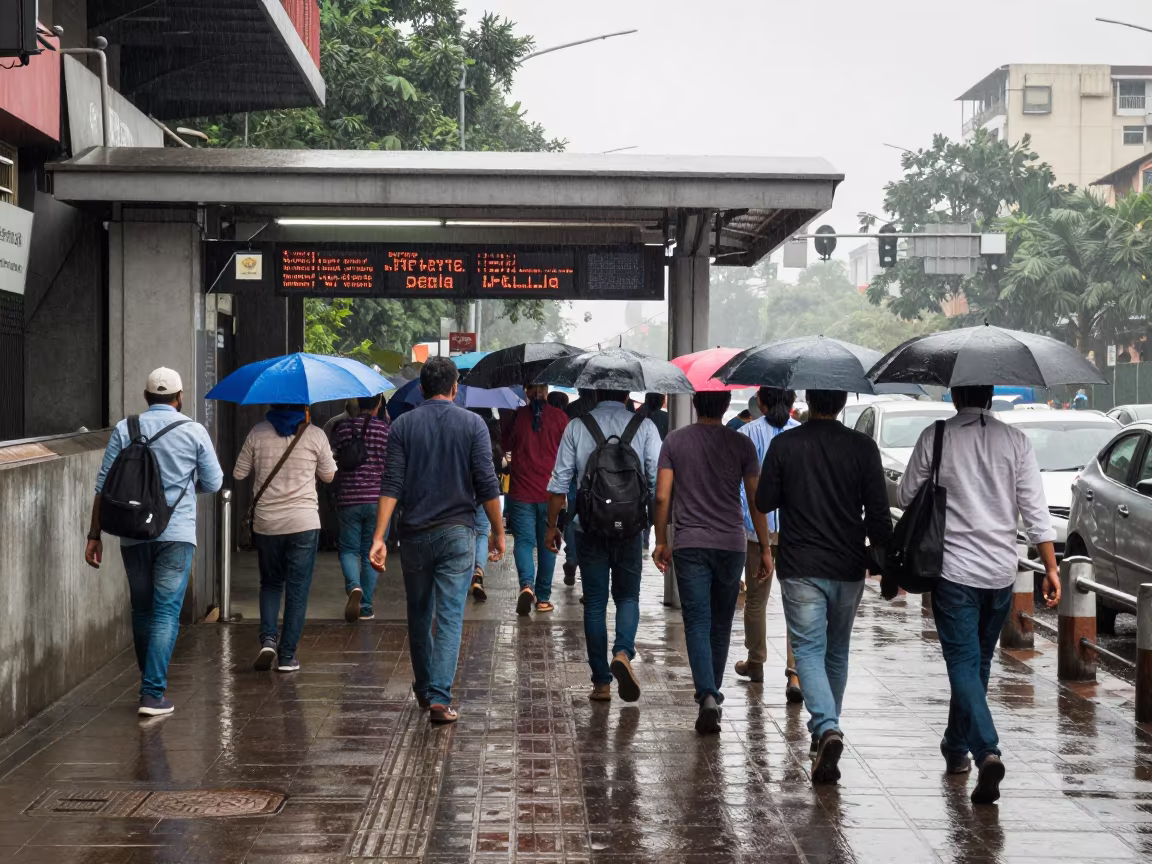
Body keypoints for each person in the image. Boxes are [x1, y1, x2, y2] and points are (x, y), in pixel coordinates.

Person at [897, 384, 1060, 805]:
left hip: (953, 572)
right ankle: (955, 748)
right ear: (989, 397)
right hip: (1001, 574)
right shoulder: (1016, 441)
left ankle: (986, 750)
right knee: (978, 663)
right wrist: (1052, 568)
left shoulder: (937, 435)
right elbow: (1035, 511)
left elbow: (904, 494)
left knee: (964, 665)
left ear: (955, 396)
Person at [756, 389, 891, 784]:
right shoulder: (863, 447)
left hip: (800, 564)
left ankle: (827, 727)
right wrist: (884, 562)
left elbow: (763, 501)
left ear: (809, 400)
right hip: (848, 565)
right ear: (843, 400)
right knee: (837, 651)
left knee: (809, 650)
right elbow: (880, 515)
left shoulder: (785, 444)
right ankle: (825, 730)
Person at [369, 358, 505, 724]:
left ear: (422, 388)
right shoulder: (473, 424)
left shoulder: (402, 425)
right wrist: (497, 530)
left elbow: (391, 483)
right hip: (458, 534)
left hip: (414, 535)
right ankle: (440, 699)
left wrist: (379, 537)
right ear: (455, 387)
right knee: (448, 617)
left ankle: (426, 688)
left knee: (418, 613)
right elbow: (488, 483)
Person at [86, 368, 223, 717]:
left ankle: (149, 685)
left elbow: (104, 486)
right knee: (165, 612)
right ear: (179, 398)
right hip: (176, 535)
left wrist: (94, 535)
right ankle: (152, 693)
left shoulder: (125, 429)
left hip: (132, 533)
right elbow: (213, 480)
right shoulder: (193, 430)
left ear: (146, 398)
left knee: (142, 609)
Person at [652, 390, 772, 734]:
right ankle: (712, 697)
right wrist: (764, 547)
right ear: (725, 405)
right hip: (732, 544)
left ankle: (706, 694)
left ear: (694, 404)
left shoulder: (675, 442)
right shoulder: (742, 445)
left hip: (690, 544)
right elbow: (755, 500)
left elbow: (662, 495)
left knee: (697, 622)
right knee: (721, 624)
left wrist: (662, 539)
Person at [544, 389, 661, 702]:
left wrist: (552, 527)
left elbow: (559, 483)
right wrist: (658, 531)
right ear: (626, 392)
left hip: (590, 526)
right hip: (630, 528)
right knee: (627, 596)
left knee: (595, 603)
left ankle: (601, 682)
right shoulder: (645, 426)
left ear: (595, 391)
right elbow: (656, 482)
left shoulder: (578, 426)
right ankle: (622, 651)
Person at [235, 403, 336, 674]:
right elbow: (328, 476)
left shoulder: (257, 432)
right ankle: (288, 656)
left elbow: (239, 473)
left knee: (270, 583)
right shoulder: (315, 434)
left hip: (267, 523)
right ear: (303, 407)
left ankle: (268, 639)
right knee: (297, 589)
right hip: (303, 523)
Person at [735, 387, 803, 703]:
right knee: (796, 603)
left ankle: (756, 661)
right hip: (795, 531)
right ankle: (794, 672)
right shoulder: (801, 435)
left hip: (755, 530)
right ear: (791, 404)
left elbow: (740, 489)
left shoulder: (747, 433)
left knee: (755, 600)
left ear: (760, 403)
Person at [503, 384, 569, 615]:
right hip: (552, 493)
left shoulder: (517, 417)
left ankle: (526, 586)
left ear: (526, 392)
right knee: (548, 544)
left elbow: (505, 445)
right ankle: (543, 599)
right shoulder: (560, 418)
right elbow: (568, 455)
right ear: (546, 391)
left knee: (523, 542)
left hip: (521, 493)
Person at [330, 393, 390, 622]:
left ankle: (354, 587)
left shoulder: (342, 428)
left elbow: (332, 458)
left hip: (348, 498)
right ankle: (365, 607)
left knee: (348, 550)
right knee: (370, 552)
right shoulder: (385, 431)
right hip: (377, 500)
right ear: (377, 405)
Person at [468, 407, 505, 603]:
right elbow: (497, 468)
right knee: (482, 532)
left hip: (463, 493)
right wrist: (499, 533)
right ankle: (478, 571)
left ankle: (467, 575)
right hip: (485, 494)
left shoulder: (463, 430)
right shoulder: (490, 438)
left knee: (467, 532)